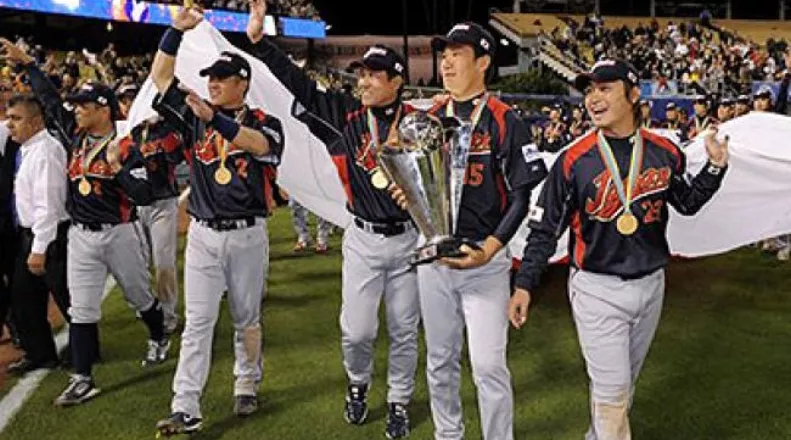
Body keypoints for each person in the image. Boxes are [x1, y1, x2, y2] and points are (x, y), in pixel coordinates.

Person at [509, 59, 729, 440]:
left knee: (619, 395)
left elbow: (688, 202)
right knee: (612, 397)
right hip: (596, 288)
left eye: (605, 88)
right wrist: (525, 284)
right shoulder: (573, 160)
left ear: (633, 94)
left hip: (651, 285)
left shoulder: (664, 151)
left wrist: (714, 167)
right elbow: (544, 230)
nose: (593, 98)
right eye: (589, 90)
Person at [248, 2, 420, 438]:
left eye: (373, 75)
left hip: (409, 241)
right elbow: (299, 86)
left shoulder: (420, 125)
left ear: (397, 82)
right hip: (362, 237)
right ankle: (358, 384)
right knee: (357, 330)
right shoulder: (345, 114)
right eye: (360, 73)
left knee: (404, 330)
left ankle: (399, 399)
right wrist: (260, 44)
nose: (362, 80)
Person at [394, 22, 548, 440]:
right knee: (440, 360)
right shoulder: (425, 118)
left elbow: (521, 195)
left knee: (488, 365)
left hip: (484, 260)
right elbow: (415, 185)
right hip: (435, 257)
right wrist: (404, 188)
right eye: (443, 54)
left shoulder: (504, 119)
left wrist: (491, 249)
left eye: (457, 53)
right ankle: (448, 434)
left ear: (482, 62)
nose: (445, 61)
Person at [1, 38, 168, 407]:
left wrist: (119, 168)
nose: (76, 111)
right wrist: (29, 63)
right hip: (80, 236)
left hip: (120, 232)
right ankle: (82, 378)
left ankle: (158, 334)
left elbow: (144, 195)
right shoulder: (73, 135)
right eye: (75, 105)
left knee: (139, 297)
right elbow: (46, 99)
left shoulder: (125, 145)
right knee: (82, 309)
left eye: (84, 106)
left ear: (104, 110)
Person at [150, 7, 284, 435]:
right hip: (206, 234)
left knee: (247, 317)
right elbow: (161, 79)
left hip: (248, 232)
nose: (212, 83)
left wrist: (216, 120)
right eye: (210, 77)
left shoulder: (264, 121)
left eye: (221, 77)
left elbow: (260, 144)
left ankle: (247, 380)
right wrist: (174, 32)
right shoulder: (195, 115)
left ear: (242, 83)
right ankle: (185, 404)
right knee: (199, 321)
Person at [5, 94, 71, 374]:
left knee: (67, 298)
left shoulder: (46, 150)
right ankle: (41, 354)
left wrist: (40, 247)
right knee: (24, 298)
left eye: (17, 119)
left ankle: (87, 353)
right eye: (9, 119)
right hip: (30, 234)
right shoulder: (28, 148)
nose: (10, 125)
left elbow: (49, 203)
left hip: (50, 235)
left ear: (35, 121)